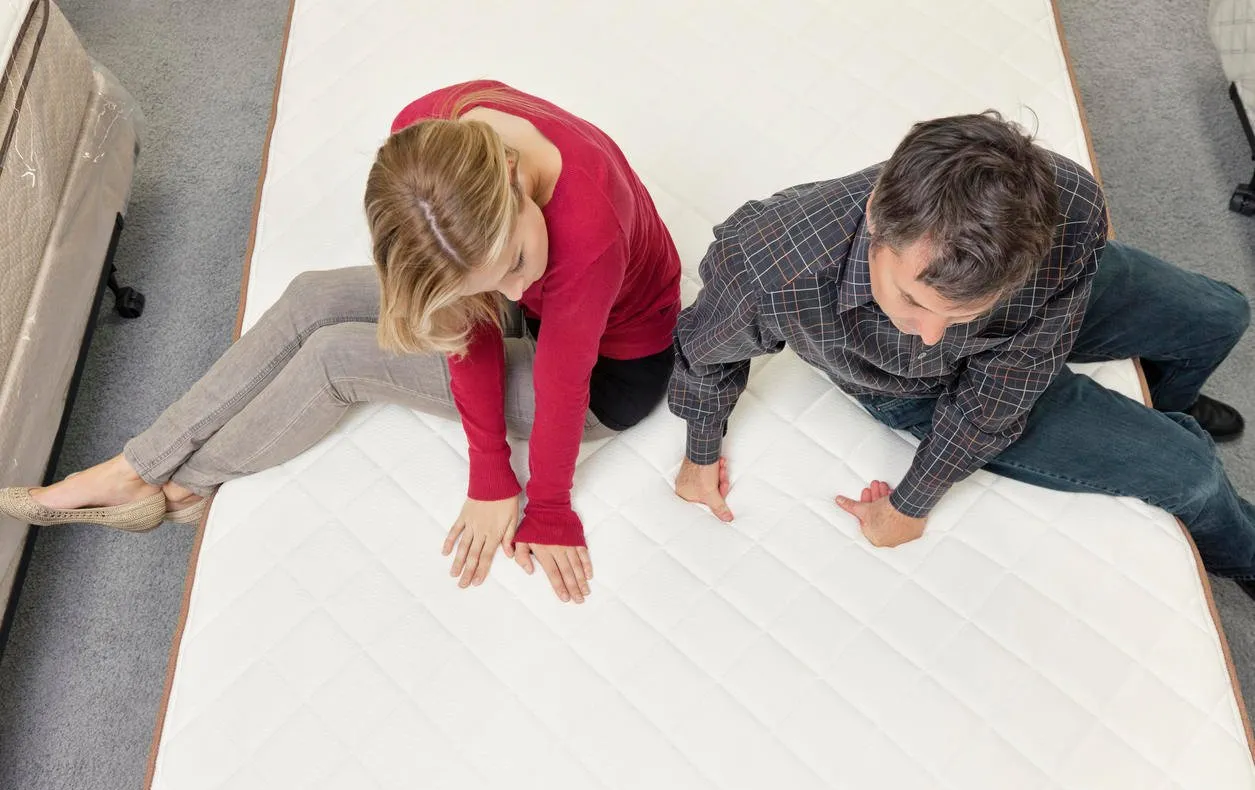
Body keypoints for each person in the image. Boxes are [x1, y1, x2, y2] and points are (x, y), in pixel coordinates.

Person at [0, 80, 682, 605]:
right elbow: (467, 322)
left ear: (509, 176)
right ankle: (133, 468)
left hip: (607, 372)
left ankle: (186, 484)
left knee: (337, 358)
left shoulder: (584, 232)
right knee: (313, 297)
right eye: (491, 276)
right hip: (551, 310)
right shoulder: (428, 140)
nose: (504, 291)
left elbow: (562, 387)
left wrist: (530, 496)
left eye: (514, 262)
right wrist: (497, 291)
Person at [669, 111, 1255, 583]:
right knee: (1195, 472)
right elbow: (703, 352)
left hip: (1042, 312)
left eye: (963, 315)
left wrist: (907, 504)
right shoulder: (769, 265)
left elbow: (1000, 389)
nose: (930, 337)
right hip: (915, 391)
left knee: (1223, 315)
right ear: (877, 216)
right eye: (913, 301)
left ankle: (1166, 404)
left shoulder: (1069, 207)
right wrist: (700, 452)